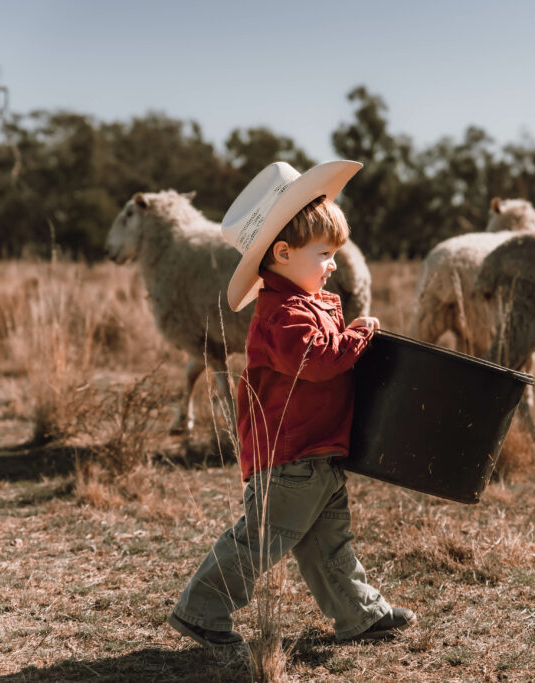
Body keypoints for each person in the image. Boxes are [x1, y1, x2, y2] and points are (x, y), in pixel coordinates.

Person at [168, 160, 416, 647]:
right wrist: (357, 336)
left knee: (329, 542)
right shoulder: (281, 313)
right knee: (262, 539)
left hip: (317, 451)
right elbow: (318, 362)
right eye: (324, 253)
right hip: (289, 456)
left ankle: (359, 613)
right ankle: (201, 609)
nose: (333, 264)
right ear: (282, 252)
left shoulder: (307, 305)